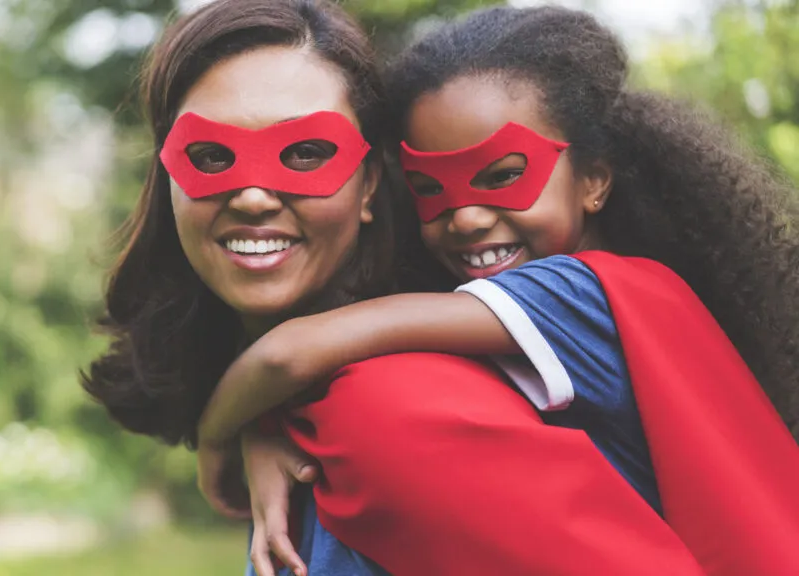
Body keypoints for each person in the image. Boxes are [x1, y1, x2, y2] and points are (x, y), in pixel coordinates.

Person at [82, 1, 709, 575]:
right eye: (212, 157)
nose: (251, 195)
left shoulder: (391, 409)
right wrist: (259, 419)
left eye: (304, 155)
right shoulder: (310, 412)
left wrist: (230, 428)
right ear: (167, 179)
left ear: (371, 189)